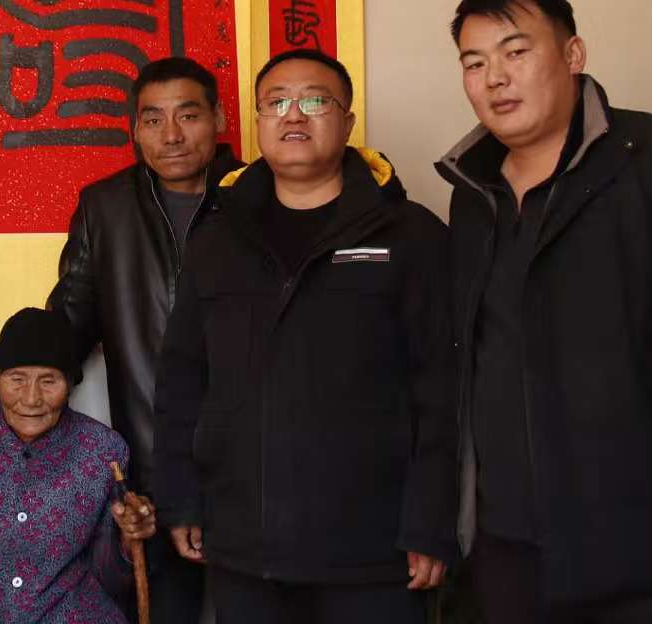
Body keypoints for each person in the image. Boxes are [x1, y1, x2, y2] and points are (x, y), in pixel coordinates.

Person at [153, 49, 456, 624]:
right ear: (257, 121)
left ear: (347, 120)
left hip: (375, 550)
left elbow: (441, 389)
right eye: (276, 102)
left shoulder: (411, 235)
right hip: (244, 544)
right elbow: (182, 379)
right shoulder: (216, 238)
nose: (293, 115)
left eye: (315, 101)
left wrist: (430, 521)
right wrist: (181, 498)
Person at [438, 0, 652, 621]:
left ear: (573, 54)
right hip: (504, 544)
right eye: (474, 63)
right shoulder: (472, 192)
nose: (495, 78)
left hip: (637, 540)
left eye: (516, 52)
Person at [47, 56, 241, 621]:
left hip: (255, 469)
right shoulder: (105, 206)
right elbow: (68, 323)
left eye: (188, 115)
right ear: (135, 129)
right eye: (153, 120)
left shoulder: (259, 196)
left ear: (219, 118)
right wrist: (16, 403)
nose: (171, 135)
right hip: (155, 471)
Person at [0, 308, 156, 624]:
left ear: (70, 383)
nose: (31, 398)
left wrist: (127, 539)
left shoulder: (102, 451)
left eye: (48, 381)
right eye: (17, 379)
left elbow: (110, 577)